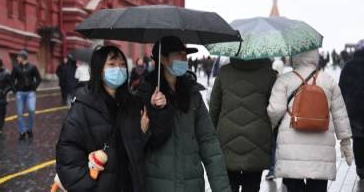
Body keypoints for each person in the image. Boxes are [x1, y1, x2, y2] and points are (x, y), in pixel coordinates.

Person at [56, 46, 167, 191]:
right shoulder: (82, 108)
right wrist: (92, 185)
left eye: (122, 65)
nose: (119, 69)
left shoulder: (133, 105)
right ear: (99, 70)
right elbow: (68, 161)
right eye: (112, 64)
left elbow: (154, 141)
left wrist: (157, 110)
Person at [136, 36, 231, 192]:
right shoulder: (143, 96)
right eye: (178, 55)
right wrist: (154, 110)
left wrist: (222, 188)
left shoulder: (193, 95)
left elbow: (208, 142)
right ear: (163, 59)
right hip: (156, 184)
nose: (184, 59)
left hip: (191, 183)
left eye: (185, 55)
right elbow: (138, 142)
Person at [267, 49, 353, 192]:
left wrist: (273, 126)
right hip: (321, 148)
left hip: (291, 148)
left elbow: (275, 110)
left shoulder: (284, 80)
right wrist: (345, 140)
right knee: (318, 187)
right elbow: (340, 113)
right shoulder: (328, 80)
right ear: (315, 55)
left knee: (294, 185)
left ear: (295, 56)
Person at [210, 58, 277, 191]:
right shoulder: (269, 75)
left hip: (227, 138)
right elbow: (274, 109)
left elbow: (214, 108)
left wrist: (211, 135)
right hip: (258, 138)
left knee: (229, 185)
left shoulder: (224, 73)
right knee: (252, 185)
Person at [339, 39, 364, 180]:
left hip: (354, 110)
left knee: (358, 139)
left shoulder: (349, 66)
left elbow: (341, 88)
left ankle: (360, 167)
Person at [11, 50, 41, 140]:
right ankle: (22, 131)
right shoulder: (16, 67)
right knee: (19, 113)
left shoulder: (33, 67)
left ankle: (29, 129)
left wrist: (34, 87)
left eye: (18, 57)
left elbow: (39, 78)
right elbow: (11, 80)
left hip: (30, 93)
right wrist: (15, 91)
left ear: (23, 57)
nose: (17, 58)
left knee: (31, 110)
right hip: (20, 93)